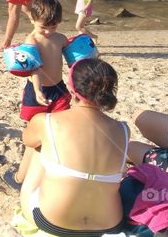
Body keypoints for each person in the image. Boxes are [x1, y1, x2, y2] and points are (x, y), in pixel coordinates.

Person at [13, 59, 128, 236]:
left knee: (39, 143)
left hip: (53, 221)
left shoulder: (48, 121)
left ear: (72, 87)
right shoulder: (123, 129)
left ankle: (18, 179)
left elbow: (28, 140)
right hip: (110, 224)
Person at [11, 0, 71, 185]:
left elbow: (73, 61)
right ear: (32, 20)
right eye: (43, 27)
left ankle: (52, 167)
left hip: (59, 89)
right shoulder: (32, 40)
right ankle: (25, 173)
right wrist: (37, 91)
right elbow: (34, 68)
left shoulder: (60, 38)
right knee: (36, 133)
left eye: (53, 27)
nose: (47, 31)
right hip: (38, 90)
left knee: (59, 129)